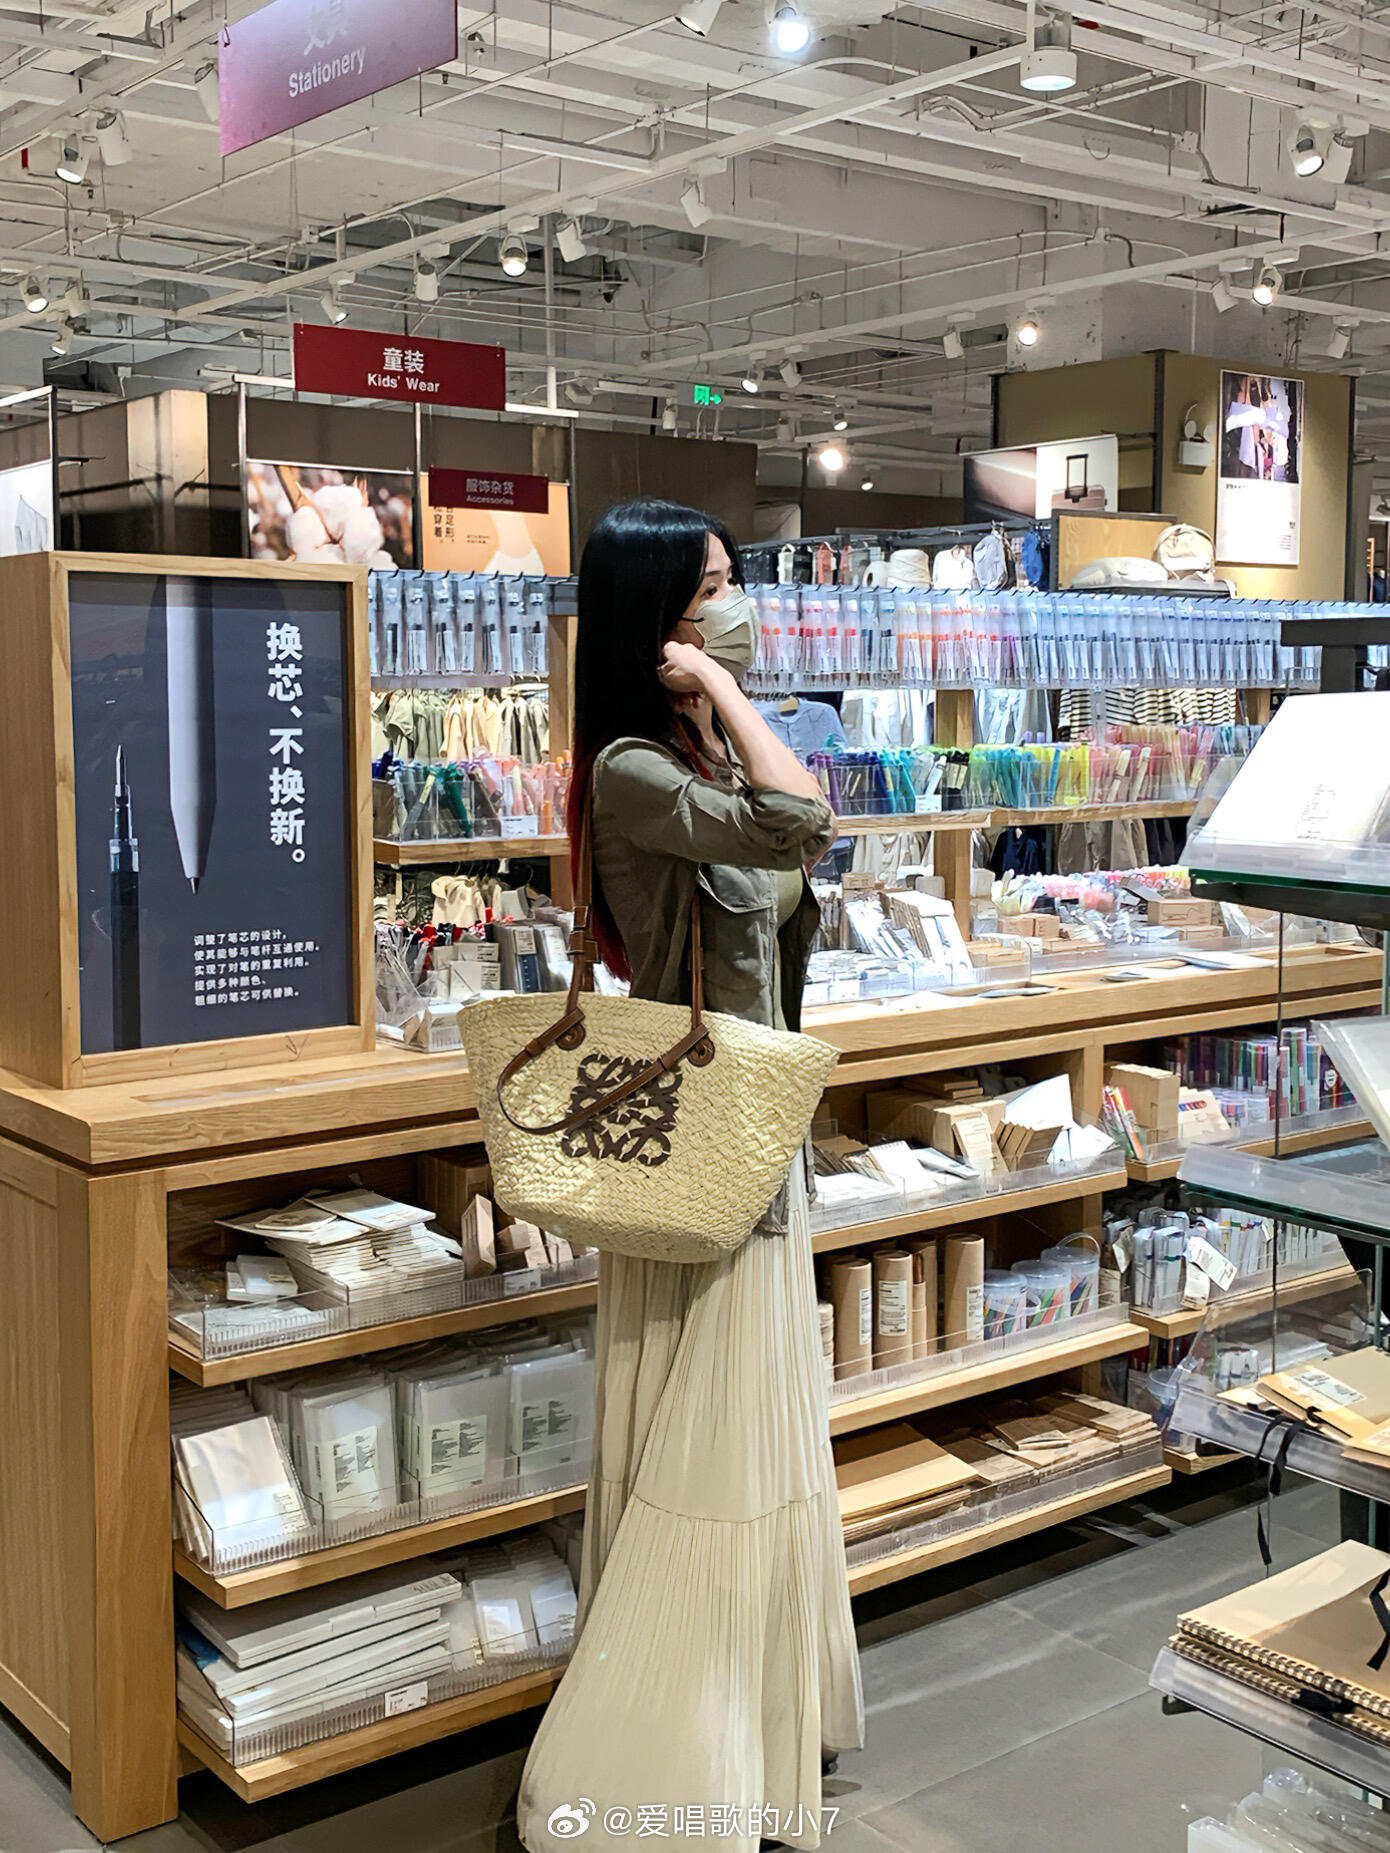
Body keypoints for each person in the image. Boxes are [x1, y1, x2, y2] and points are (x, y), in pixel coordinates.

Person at [517, 499, 864, 1853]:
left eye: (733, 584)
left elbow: (799, 840)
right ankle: (674, 1755)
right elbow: (798, 820)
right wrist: (722, 687)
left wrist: (717, 700)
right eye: (709, 588)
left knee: (754, 1426)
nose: (735, 605)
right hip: (696, 1143)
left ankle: (756, 1728)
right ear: (653, 617)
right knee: (703, 1434)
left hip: (757, 1130)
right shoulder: (628, 771)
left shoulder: (693, 751)